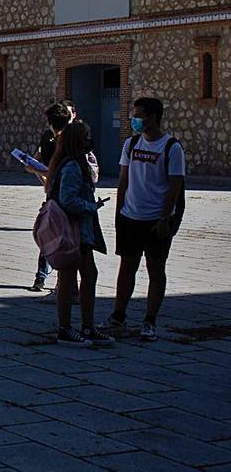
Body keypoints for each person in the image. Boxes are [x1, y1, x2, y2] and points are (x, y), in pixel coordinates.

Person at [103, 98, 185, 343]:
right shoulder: (131, 144)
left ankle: (150, 321)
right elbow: (124, 180)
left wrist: (165, 218)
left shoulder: (171, 147)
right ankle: (118, 315)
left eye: (138, 115)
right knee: (126, 267)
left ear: (152, 117)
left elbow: (174, 187)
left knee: (155, 269)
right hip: (130, 217)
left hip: (155, 220)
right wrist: (119, 213)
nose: (134, 120)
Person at [46, 121, 115, 347]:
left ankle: (87, 326)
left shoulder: (71, 164)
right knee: (68, 279)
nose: (89, 140)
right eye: (86, 136)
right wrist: (91, 206)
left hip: (79, 231)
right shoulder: (73, 167)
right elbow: (68, 200)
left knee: (88, 275)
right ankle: (66, 329)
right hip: (73, 230)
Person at [28, 102, 72, 293]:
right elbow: (38, 158)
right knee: (51, 234)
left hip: (65, 196)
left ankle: (65, 285)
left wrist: (43, 174)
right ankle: (44, 277)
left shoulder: (73, 139)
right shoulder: (49, 138)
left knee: (59, 236)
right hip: (56, 194)